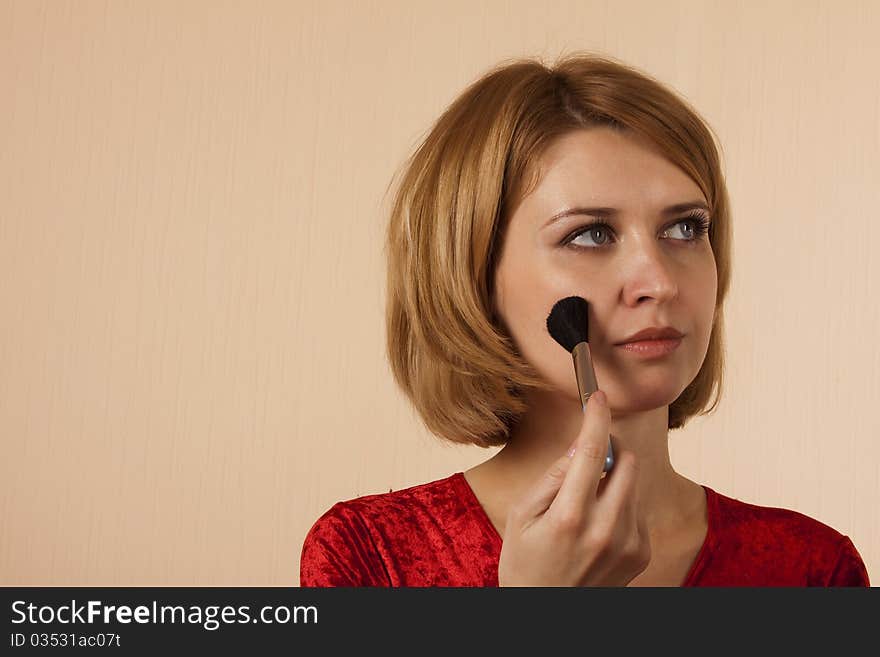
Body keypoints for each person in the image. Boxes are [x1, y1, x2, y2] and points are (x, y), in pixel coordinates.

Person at [299, 52, 870, 587]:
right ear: (473, 276)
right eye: (590, 234)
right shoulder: (370, 556)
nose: (659, 281)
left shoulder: (811, 569)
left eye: (684, 228)